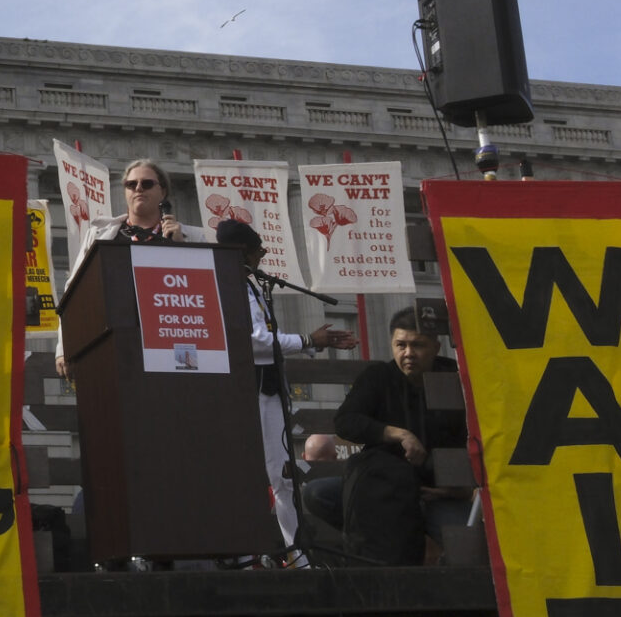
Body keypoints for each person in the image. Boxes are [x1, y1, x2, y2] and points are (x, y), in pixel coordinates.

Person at [215, 218, 355, 565]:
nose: (263, 255)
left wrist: (311, 344)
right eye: (257, 249)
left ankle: (297, 555)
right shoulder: (227, 286)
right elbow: (253, 344)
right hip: (248, 393)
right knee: (250, 475)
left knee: (282, 477)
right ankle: (247, 554)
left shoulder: (247, 286)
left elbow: (266, 341)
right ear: (241, 253)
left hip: (268, 390)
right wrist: (308, 340)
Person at [325, 307, 470, 564]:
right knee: (317, 493)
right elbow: (346, 422)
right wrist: (398, 434)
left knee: (468, 548)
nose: (408, 353)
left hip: (439, 492)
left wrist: (459, 489)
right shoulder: (379, 377)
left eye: (417, 345)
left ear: (436, 348)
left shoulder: (455, 379)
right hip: (385, 491)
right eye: (400, 345)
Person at [54, 158, 207, 380]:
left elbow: (204, 297)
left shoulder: (193, 237)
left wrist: (180, 247)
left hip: (172, 346)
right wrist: (64, 349)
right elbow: (74, 294)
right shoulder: (100, 236)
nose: (138, 189)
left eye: (146, 184)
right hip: (115, 345)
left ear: (163, 192)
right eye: (131, 184)